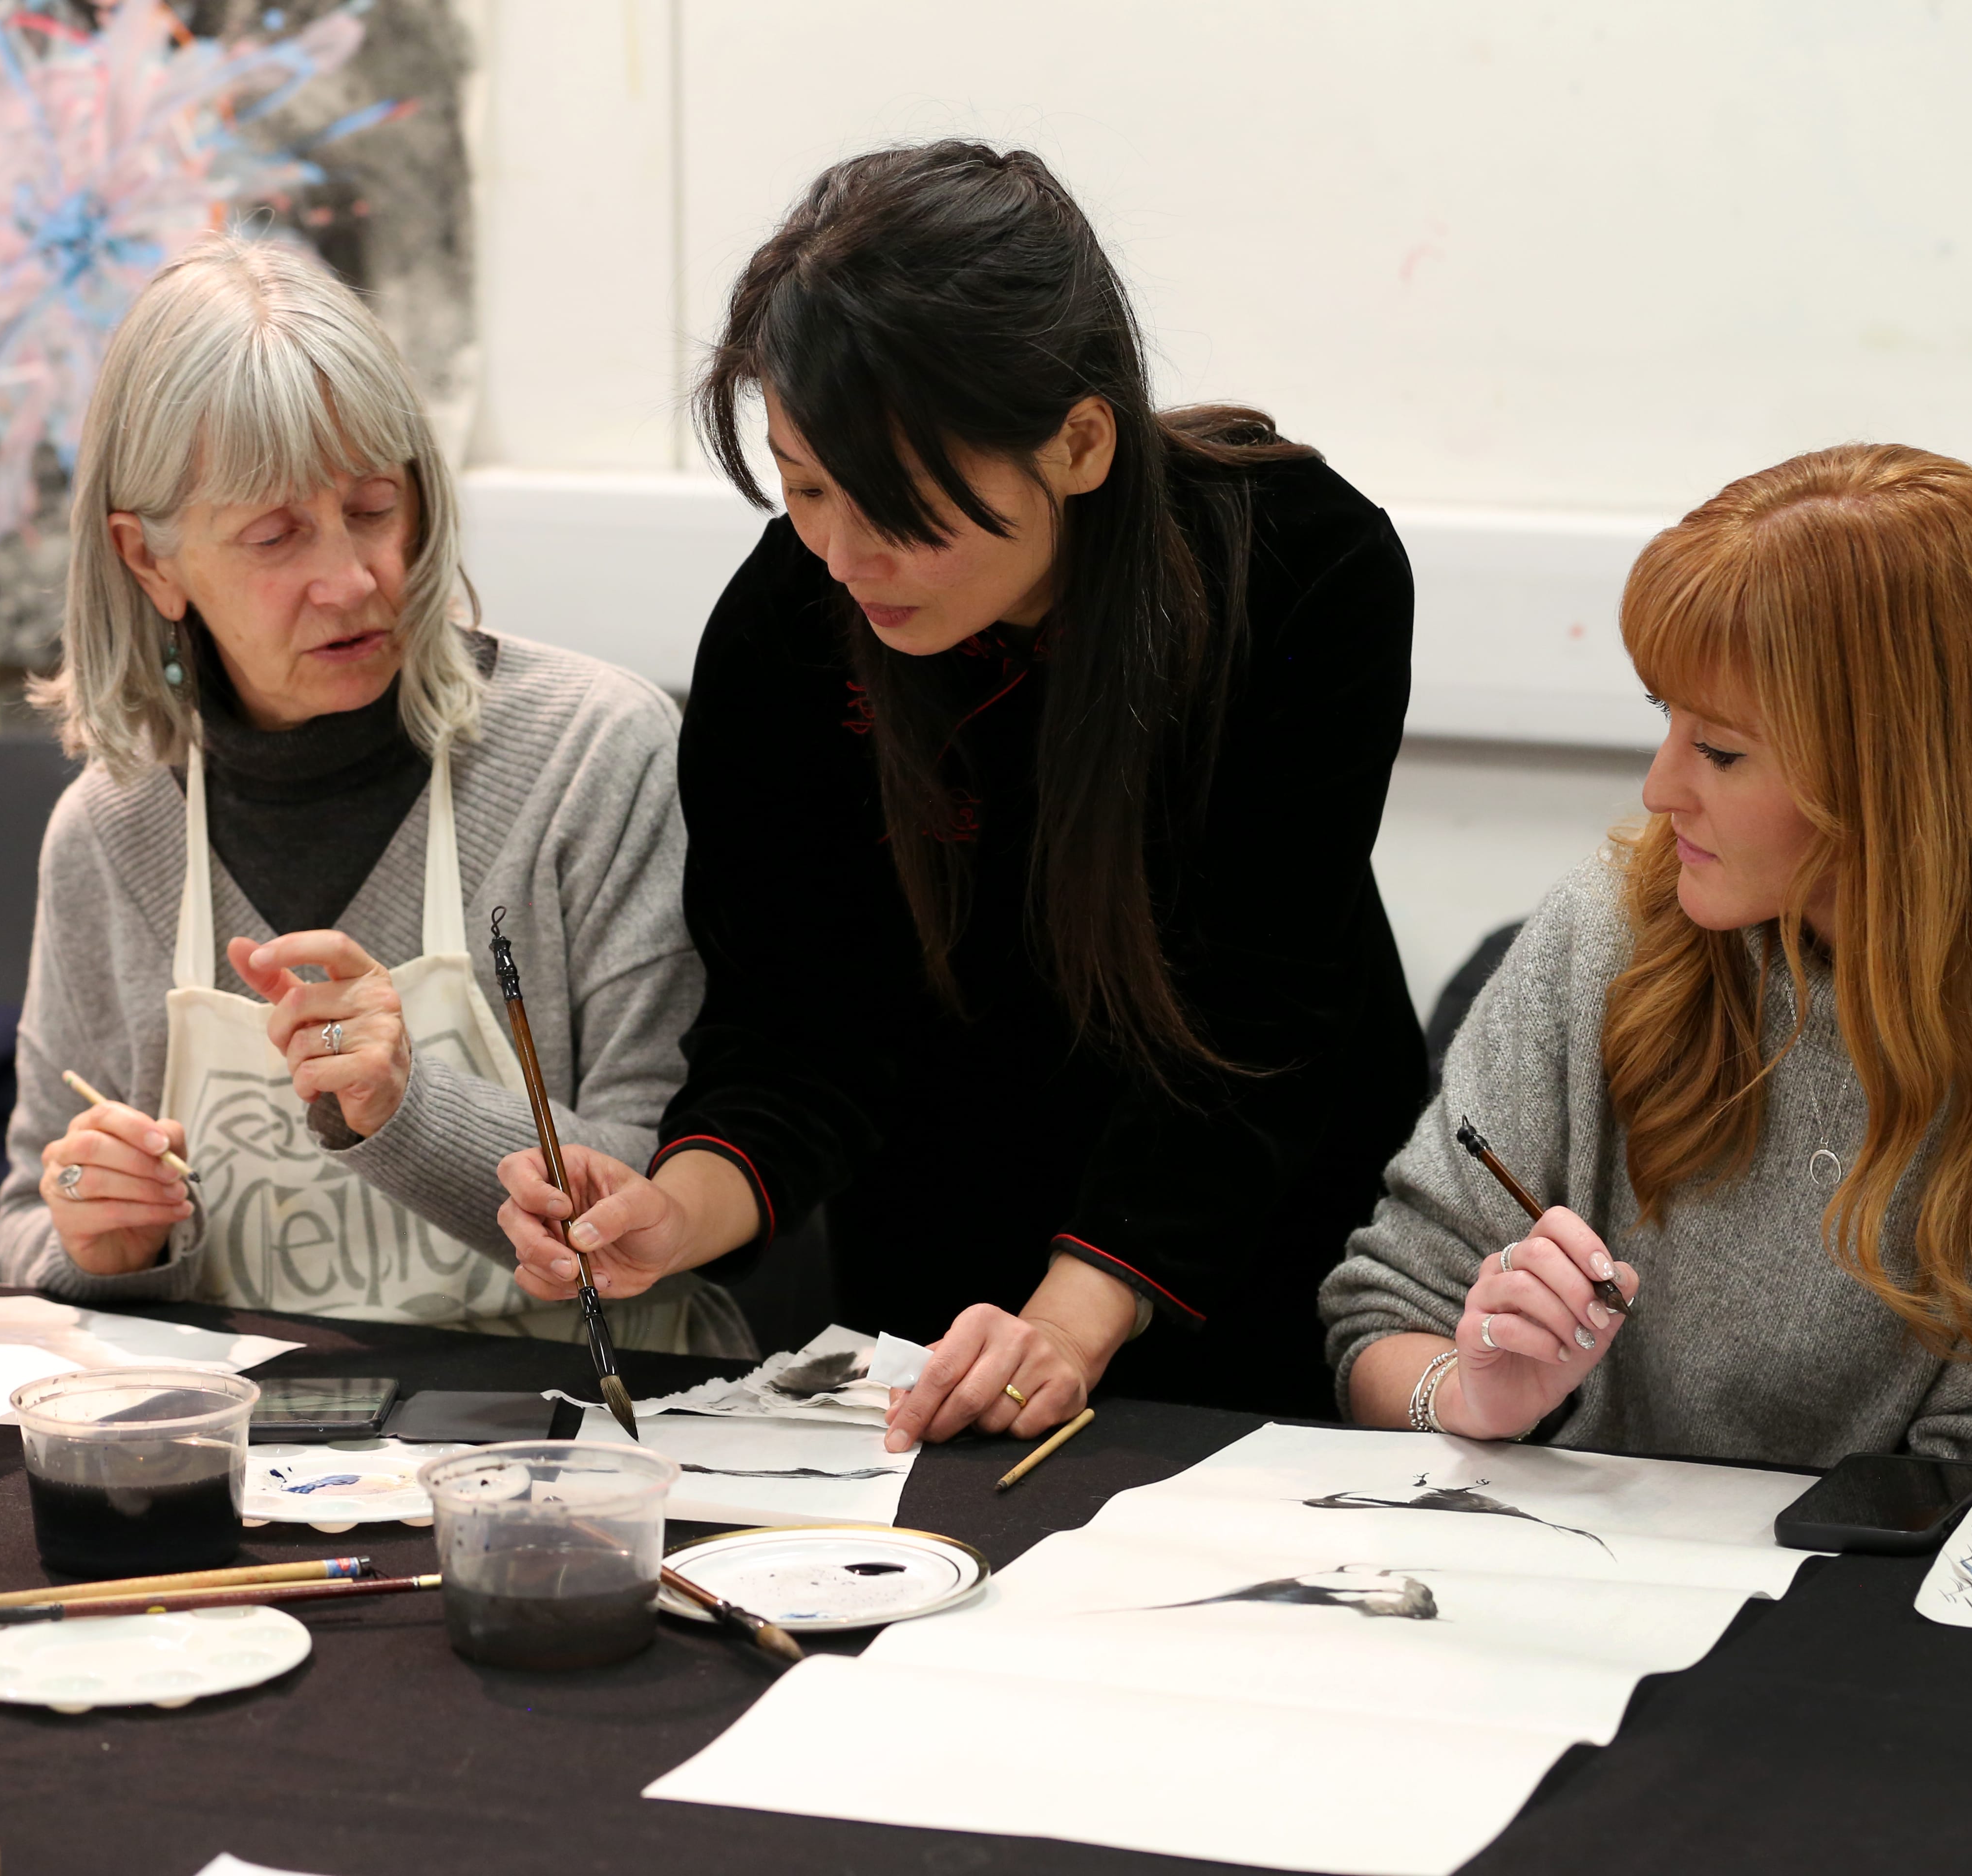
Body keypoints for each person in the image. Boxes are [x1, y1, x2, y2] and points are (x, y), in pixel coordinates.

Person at [494, 142, 1426, 1436]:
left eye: (902, 505)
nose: (845, 553)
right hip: (936, 1311)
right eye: (806, 487)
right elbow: (792, 1033)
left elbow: (1257, 1021)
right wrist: (672, 1208)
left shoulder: (1298, 574)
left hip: (1253, 1264)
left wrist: (1075, 1314)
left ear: (1081, 442)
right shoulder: (788, 625)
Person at [1321, 444, 1972, 1472]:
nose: (1658, 789)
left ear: (1902, 781)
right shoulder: (1606, 935)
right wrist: (1467, 1394)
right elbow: (1383, 1317)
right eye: (1666, 721)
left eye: (1721, 751)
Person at [0, 234, 747, 1355]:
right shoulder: (112, 832)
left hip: (586, 1435)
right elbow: (24, 1217)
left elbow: (664, 1211)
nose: (351, 580)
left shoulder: (593, 756)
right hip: (270, 1463)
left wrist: (412, 1110)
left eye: (373, 509)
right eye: (274, 535)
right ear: (148, 560)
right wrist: (109, 1242)